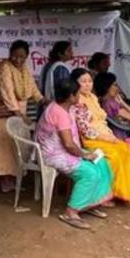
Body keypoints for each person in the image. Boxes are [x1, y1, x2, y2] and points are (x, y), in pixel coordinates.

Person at [36, 78, 114, 230]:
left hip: (66, 150)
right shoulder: (59, 113)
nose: (80, 95)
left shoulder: (66, 107)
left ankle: (90, 203)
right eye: (78, 93)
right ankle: (71, 212)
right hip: (54, 155)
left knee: (102, 162)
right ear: (71, 96)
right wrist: (85, 155)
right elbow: (69, 144)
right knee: (90, 173)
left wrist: (88, 154)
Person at [0, 40, 47, 197]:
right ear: (10, 54)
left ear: (26, 57)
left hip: (17, 115)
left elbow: (33, 89)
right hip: (1, 115)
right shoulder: (3, 67)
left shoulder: (24, 69)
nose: (18, 59)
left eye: (22, 57)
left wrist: (44, 100)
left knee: (12, 148)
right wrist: (20, 115)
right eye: (15, 56)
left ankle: (7, 183)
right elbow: (7, 93)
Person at [69, 68, 130, 203]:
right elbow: (85, 129)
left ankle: (120, 192)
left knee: (126, 150)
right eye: (83, 81)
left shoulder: (93, 98)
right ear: (75, 84)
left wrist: (110, 136)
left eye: (89, 81)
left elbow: (102, 120)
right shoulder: (78, 101)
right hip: (91, 140)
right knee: (115, 155)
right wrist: (106, 138)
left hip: (105, 135)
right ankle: (105, 193)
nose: (87, 84)